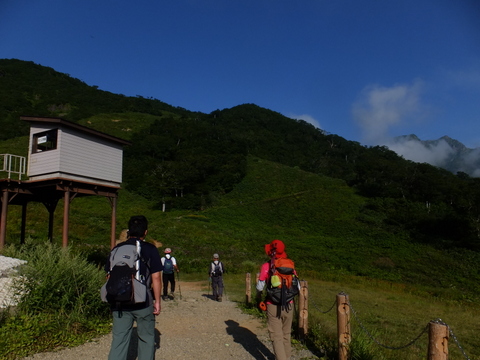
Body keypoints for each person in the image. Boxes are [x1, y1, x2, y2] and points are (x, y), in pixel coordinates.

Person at [106, 215, 162, 360]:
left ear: (128, 231)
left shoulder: (116, 249)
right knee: (146, 338)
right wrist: (157, 301)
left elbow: (109, 276)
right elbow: (156, 277)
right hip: (143, 301)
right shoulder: (150, 249)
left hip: (120, 302)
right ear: (145, 232)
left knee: (119, 340)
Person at [256, 240, 296, 360]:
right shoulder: (290, 264)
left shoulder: (267, 266)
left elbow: (260, 286)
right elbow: (296, 285)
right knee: (286, 334)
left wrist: (259, 298)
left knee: (276, 336)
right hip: (289, 304)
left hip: (272, 304)